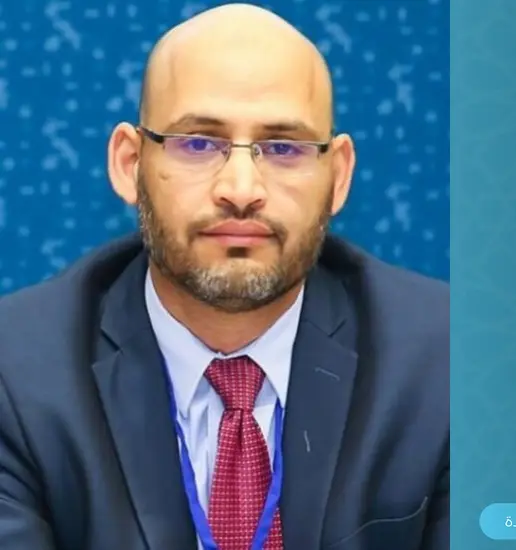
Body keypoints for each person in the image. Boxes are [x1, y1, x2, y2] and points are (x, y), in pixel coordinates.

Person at [0, 4, 448, 550]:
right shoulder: (15, 375)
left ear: (337, 176)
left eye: (283, 148)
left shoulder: (450, 364)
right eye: (198, 143)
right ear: (130, 164)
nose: (240, 189)